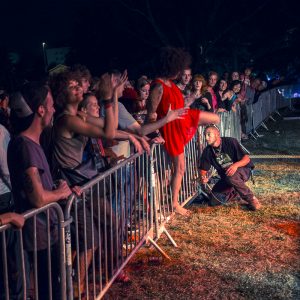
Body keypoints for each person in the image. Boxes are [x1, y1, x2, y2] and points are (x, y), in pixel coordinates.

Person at [7, 82, 73, 299]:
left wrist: (61, 188)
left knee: (53, 287)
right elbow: (38, 198)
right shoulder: (24, 145)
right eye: (51, 105)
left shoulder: (32, 143)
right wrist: (60, 194)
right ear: (40, 109)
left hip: (47, 230)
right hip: (39, 233)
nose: (55, 110)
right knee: (49, 291)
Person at [146, 47, 220, 216]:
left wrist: (191, 98)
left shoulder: (170, 83)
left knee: (215, 119)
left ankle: (208, 148)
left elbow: (180, 104)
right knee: (180, 168)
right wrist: (157, 134)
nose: (181, 72)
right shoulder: (158, 86)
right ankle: (174, 203)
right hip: (171, 128)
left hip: (184, 118)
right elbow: (151, 115)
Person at [199, 124, 261, 210]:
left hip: (244, 170)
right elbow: (203, 169)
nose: (206, 138)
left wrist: (235, 165)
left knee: (231, 176)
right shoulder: (208, 151)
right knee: (214, 201)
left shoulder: (230, 142)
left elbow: (246, 159)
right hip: (226, 177)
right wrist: (203, 177)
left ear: (217, 134)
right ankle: (235, 192)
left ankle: (252, 199)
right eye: (205, 135)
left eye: (209, 134)